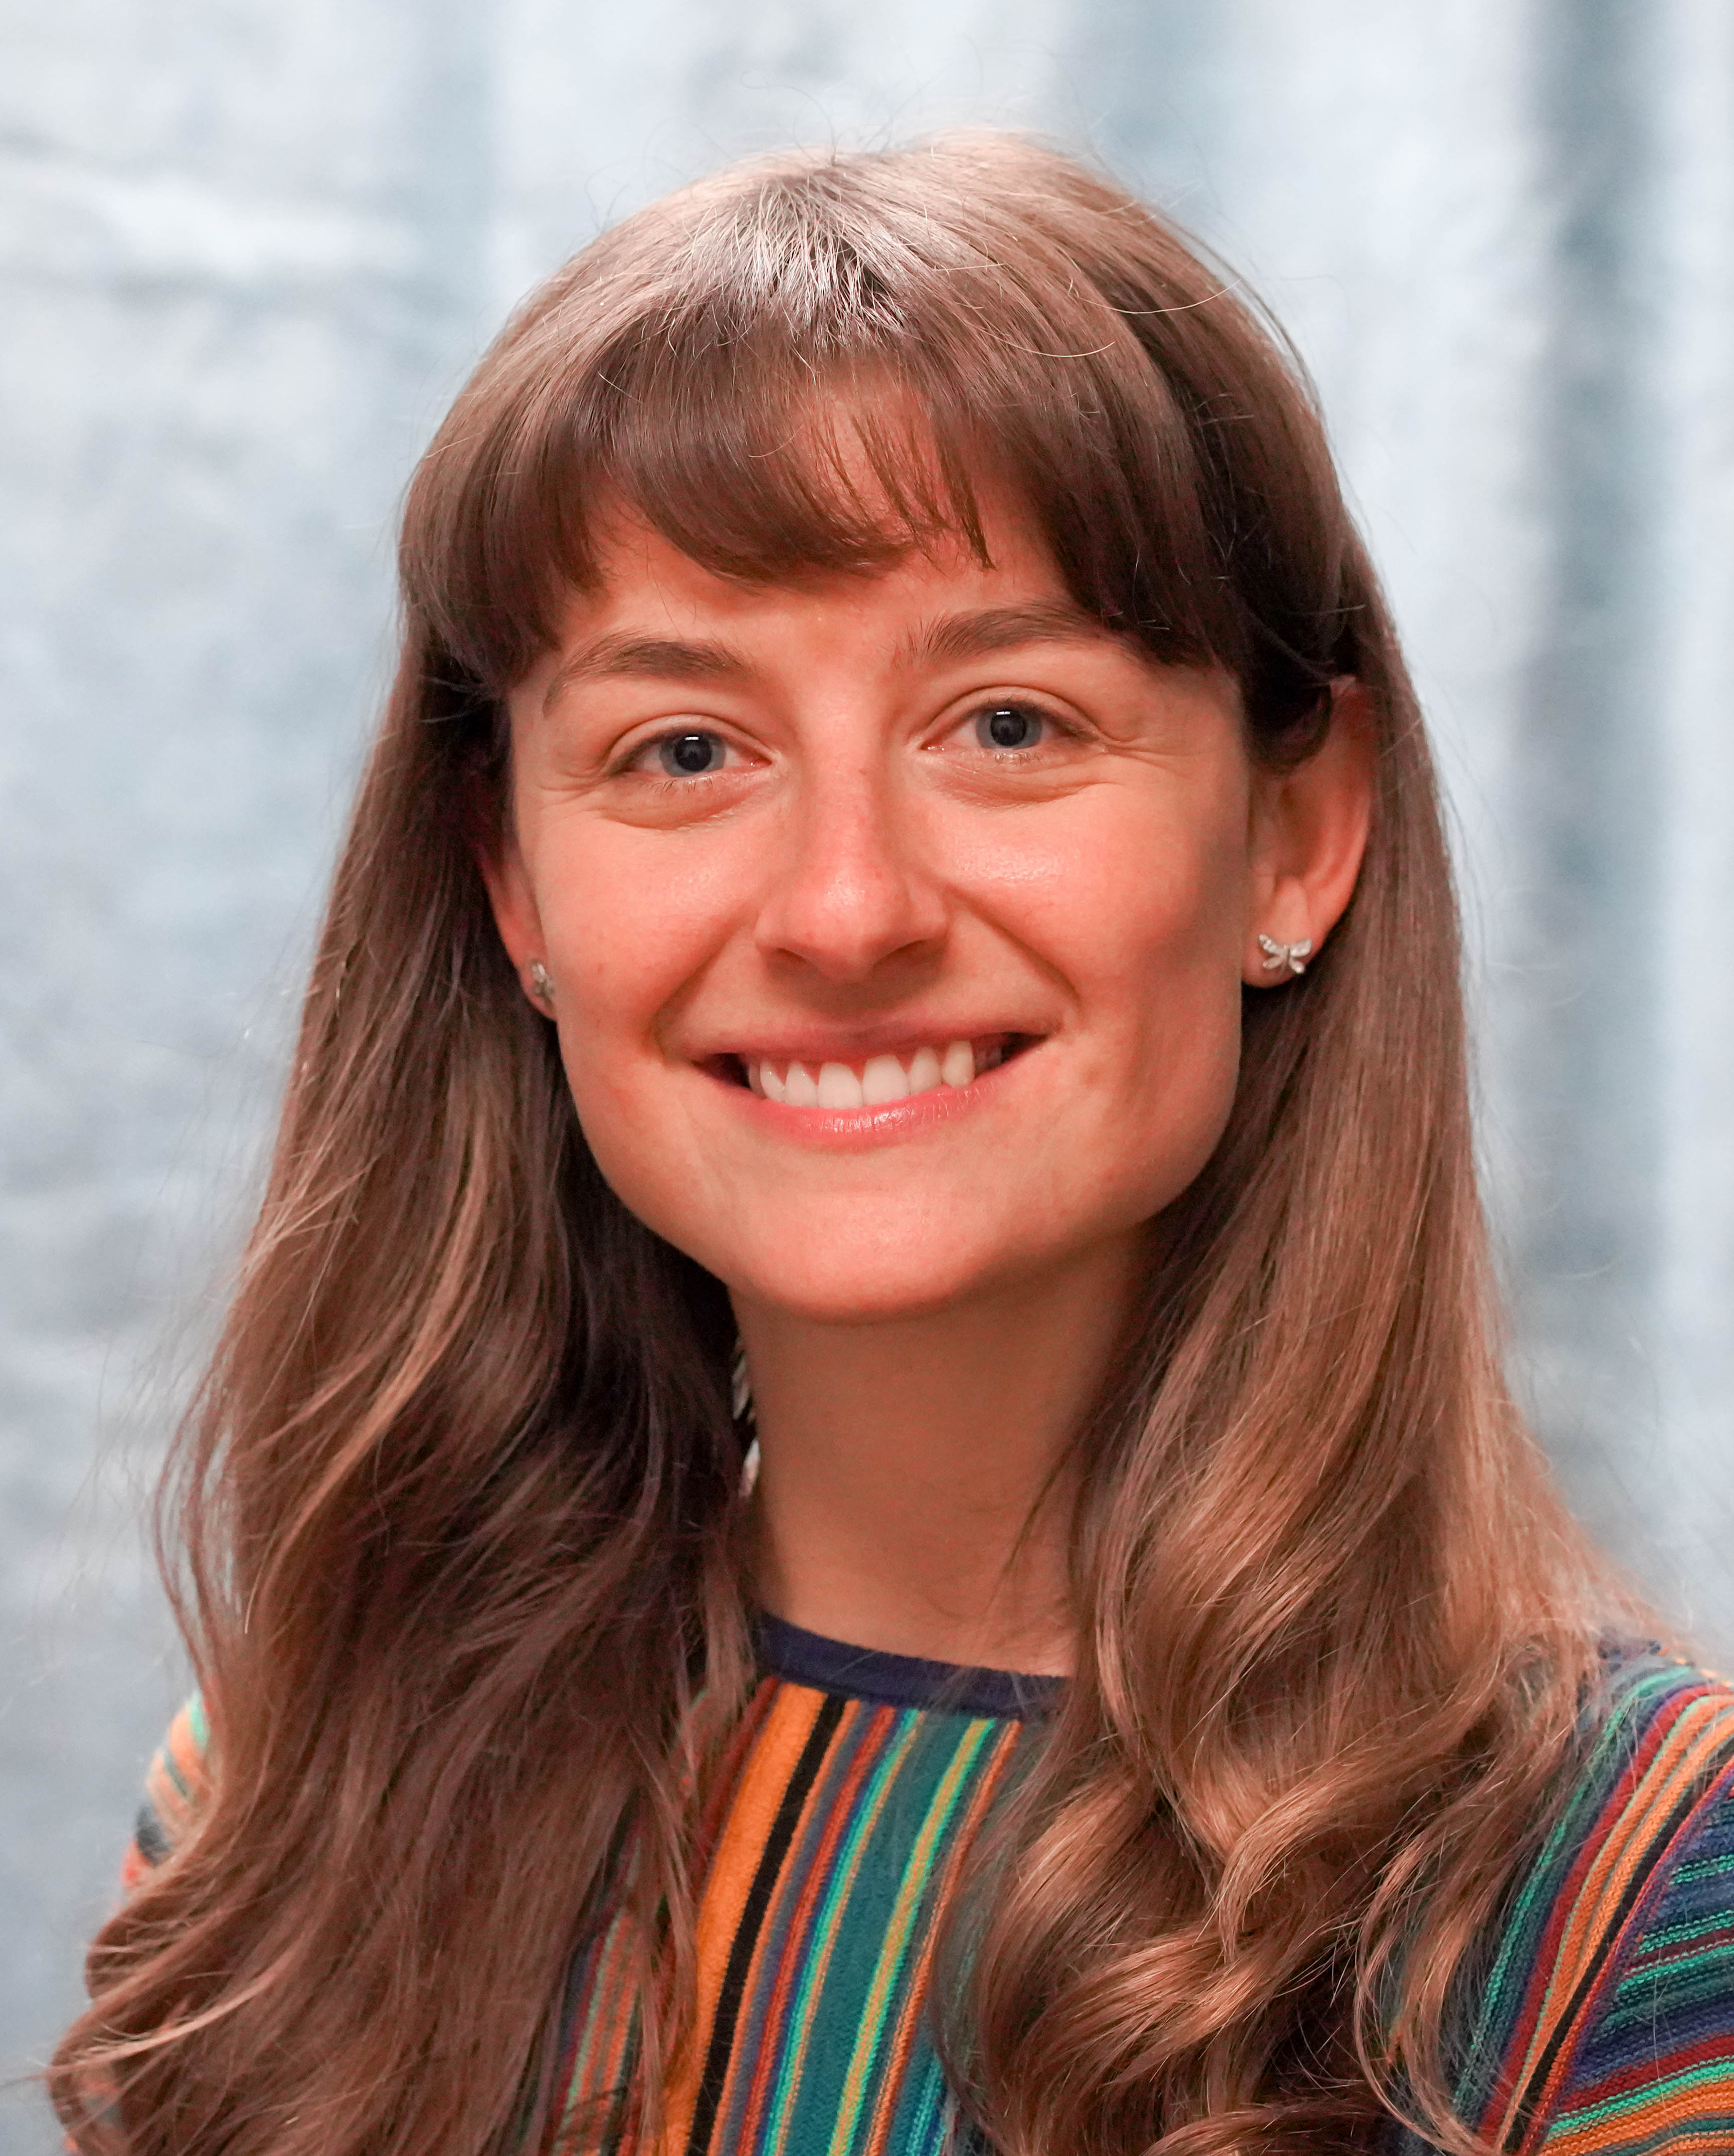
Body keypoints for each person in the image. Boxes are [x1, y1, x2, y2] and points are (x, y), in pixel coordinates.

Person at [51, 135, 1734, 2156]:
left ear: (1298, 830)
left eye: (1009, 723)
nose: (846, 912)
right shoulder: (291, 1804)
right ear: (515, 889)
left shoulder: (1632, 1906)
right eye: (684, 750)